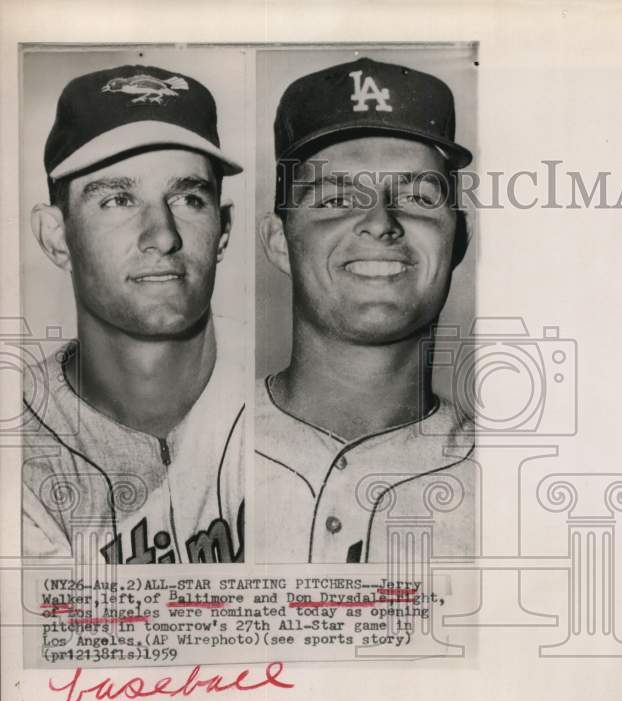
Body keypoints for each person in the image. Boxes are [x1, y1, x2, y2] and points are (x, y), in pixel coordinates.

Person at [256, 57, 477, 563]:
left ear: (458, 236)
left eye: (419, 197)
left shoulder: (519, 481)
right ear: (277, 240)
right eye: (336, 199)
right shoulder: (195, 453)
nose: (380, 223)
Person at [23, 64, 246, 563]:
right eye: (118, 199)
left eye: (189, 197)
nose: (163, 235)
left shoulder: (292, 393)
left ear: (223, 230)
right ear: (57, 236)